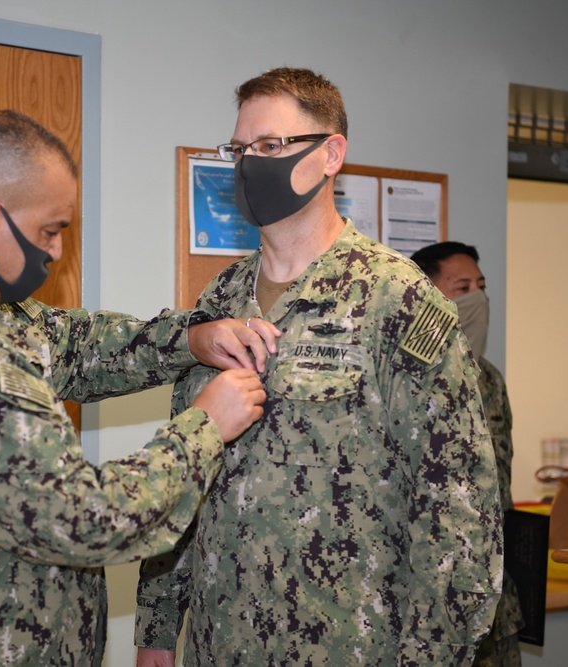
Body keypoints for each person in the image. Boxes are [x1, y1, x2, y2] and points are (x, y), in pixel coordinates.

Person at [0, 110, 280, 666]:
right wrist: (205, 428)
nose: (57, 253)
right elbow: (87, 519)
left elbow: (77, 346)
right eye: (49, 231)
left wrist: (190, 339)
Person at [135, 68, 502, 666]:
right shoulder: (218, 303)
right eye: (240, 149)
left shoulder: (396, 299)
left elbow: (459, 506)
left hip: (346, 646)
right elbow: (187, 472)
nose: (250, 164)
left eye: (271, 146)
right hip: (217, 643)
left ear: (331, 154)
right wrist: (155, 631)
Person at [411, 241, 525, 667]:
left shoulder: (490, 379)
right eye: (463, 288)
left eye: (482, 286)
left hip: (495, 599)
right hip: (428, 604)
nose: (478, 297)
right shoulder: (402, 379)